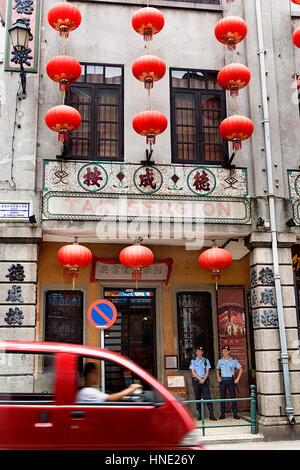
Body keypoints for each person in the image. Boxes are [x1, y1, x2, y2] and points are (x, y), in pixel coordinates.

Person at [76, 362, 142, 403]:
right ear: (89, 375)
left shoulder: (87, 390)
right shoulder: (87, 392)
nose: (98, 375)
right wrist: (130, 389)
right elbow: (111, 398)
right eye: (95, 373)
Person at [189, 346, 217, 421]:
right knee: (197, 398)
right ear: (196, 352)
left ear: (202, 352)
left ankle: (212, 414)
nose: (199, 353)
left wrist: (203, 379)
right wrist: (199, 379)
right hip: (196, 381)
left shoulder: (206, 360)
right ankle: (200, 414)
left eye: (200, 351)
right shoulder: (193, 360)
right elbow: (193, 372)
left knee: (208, 397)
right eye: (197, 351)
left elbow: (207, 371)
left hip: (204, 382)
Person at [216, 345, 243, 420]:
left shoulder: (233, 360)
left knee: (233, 396)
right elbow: (217, 369)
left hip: (231, 380)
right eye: (223, 351)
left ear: (229, 352)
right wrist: (218, 377)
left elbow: (241, 369)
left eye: (225, 351)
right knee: (222, 397)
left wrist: (237, 378)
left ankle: (235, 413)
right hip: (223, 380)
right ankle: (222, 413)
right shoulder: (220, 361)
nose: (224, 352)